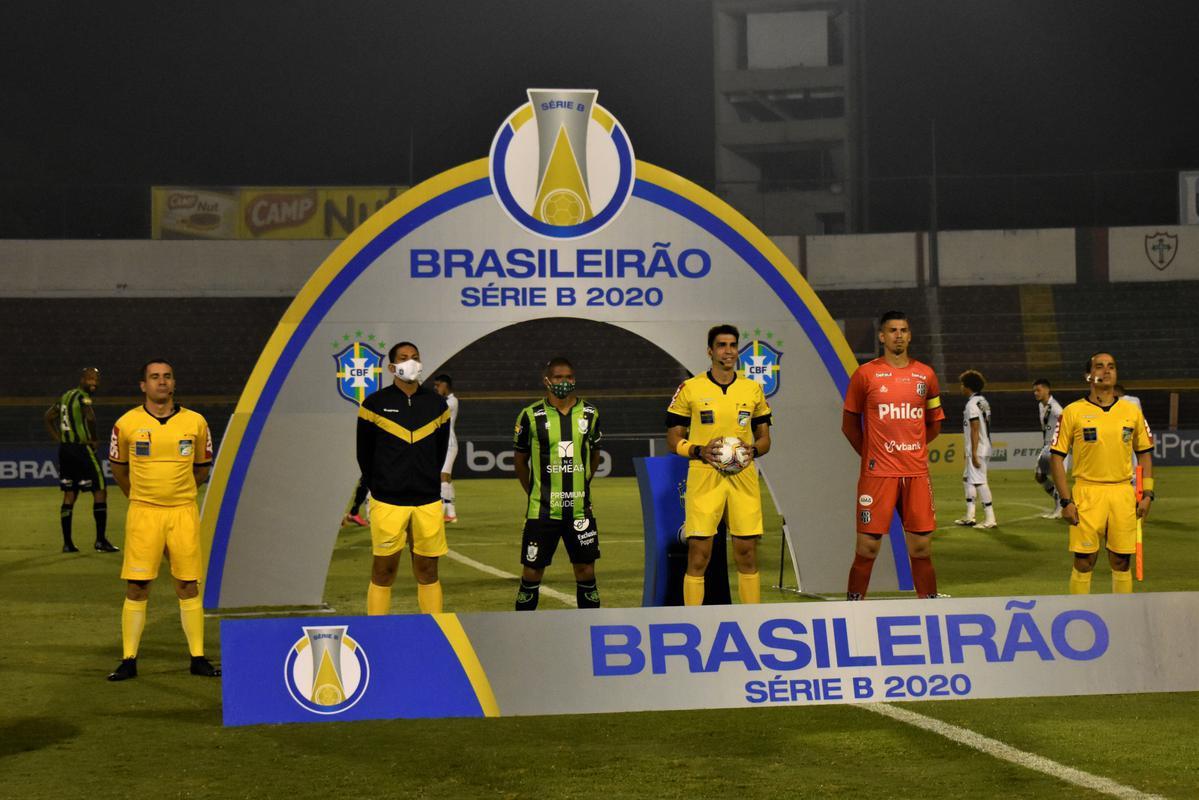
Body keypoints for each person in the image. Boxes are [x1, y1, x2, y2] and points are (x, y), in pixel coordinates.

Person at [105, 360, 219, 681]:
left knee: (187, 584)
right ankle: (129, 659)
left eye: (167, 377)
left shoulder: (195, 422)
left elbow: (201, 468)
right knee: (138, 586)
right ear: (143, 385)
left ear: (173, 383)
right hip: (144, 513)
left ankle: (197, 657)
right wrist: (141, 497)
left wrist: (179, 493)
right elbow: (119, 468)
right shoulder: (126, 423)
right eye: (154, 377)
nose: (162, 382)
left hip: (183, 511)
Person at [841, 311, 946, 600]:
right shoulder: (865, 375)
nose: (898, 335)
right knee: (867, 548)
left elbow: (934, 421)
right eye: (892, 330)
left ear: (910, 335)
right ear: (882, 336)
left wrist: (915, 448)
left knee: (921, 549)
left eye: (903, 330)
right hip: (878, 475)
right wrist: (871, 454)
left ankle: (930, 609)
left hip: (915, 473)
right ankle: (853, 608)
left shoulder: (926, 375)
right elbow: (849, 425)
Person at [665, 325, 772, 606]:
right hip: (704, 474)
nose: (728, 351)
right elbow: (673, 437)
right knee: (699, 553)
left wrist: (754, 450)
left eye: (733, 345)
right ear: (710, 351)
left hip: (743, 476)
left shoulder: (752, 389)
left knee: (747, 552)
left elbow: (764, 438)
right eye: (722, 345)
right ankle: (693, 620)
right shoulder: (691, 388)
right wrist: (698, 450)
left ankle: (752, 619)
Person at [357, 342, 450, 615]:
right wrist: (380, 485)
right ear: (391, 367)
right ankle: (377, 633)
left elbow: (440, 449)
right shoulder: (374, 404)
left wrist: (427, 479)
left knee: (428, 569)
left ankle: (435, 631)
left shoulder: (437, 404)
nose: (411, 362)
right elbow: (364, 453)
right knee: (383, 570)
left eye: (415, 358)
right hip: (388, 500)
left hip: (427, 499)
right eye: (404, 358)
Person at [1050, 353, 1154, 595]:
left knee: (1121, 561)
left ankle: (1122, 617)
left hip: (1122, 493)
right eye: (1100, 367)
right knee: (1084, 561)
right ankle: (1078, 616)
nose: (1106, 371)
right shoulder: (1073, 412)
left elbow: (1145, 453)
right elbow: (1056, 458)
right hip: (1087, 492)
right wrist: (1066, 501)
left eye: (1111, 367)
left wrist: (1147, 492)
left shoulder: (1132, 411)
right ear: (1089, 375)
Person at [512, 358, 604, 610]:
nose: (564, 382)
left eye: (569, 377)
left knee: (586, 571)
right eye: (558, 377)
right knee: (532, 572)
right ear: (547, 381)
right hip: (541, 511)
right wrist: (534, 492)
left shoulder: (590, 413)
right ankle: (522, 632)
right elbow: (520, 461)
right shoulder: (530, 416)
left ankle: (590, 630)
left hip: (580, 511)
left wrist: (582, 484)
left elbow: (594, 455)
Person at [44, 367, 119, 553]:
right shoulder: (82, 396)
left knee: (70, 494)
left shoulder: (65, 396)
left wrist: (58, 438)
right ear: (83, 379)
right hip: (81, 448)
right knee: (100, 489)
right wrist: (94, 439)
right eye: (91, 378)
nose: (94, 382)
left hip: (65, 450)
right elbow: (90, 417)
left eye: (97, 379)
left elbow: (48, 417)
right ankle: (100, 540)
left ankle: (68, 543)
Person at [954, 369, 997, 529]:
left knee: (980, 482)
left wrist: (973, 452)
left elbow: (975, 428)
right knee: (968, 479)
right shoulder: (983, 401)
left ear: (968, 387)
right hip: (984, 445)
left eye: (962, 384)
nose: (961, 387)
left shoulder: (972, 404)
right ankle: (970, 516)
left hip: (977, 448)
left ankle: (990, 518)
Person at [1033, 379, 1065, 518]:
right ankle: (1062, 501)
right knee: (1039, 476)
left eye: (1038, 390)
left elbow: (1066, 421)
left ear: (1047, 390)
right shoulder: (1041, 405)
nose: (1036, 393)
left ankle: (1059, 509)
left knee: (1057, 477)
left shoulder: (1056, 408)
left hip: (1057, 446)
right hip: (1047, 446)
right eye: (1034, 390)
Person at [433, 374, 460, 523]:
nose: (436, 388)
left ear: (445, 385)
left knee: (442, 476)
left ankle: (440, 512)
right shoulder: (445, 401)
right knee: (447, 478)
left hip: (449, 444)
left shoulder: (452, 401)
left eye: (438, 385)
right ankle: (451, 513)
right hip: (445, 443)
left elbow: (437, 408)